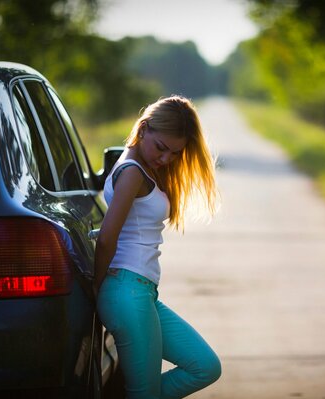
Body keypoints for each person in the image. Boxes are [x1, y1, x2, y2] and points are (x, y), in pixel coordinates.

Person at [94, 96, 221, 398]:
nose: (165, 159)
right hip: (126, 291)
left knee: (204, 366)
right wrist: (95, 290)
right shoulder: (132, 173)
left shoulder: (140, 168)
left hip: (142, 292)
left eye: (174, 153)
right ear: (143, 128)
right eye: (161, 148)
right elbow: (106, 239)